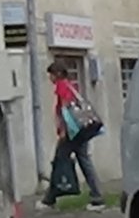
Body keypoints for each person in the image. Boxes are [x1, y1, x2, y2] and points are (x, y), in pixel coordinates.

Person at [43, 61, 104, 209]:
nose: (50, 78)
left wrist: (64, 130)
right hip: (81, 131)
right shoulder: (70, 85)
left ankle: (50, 199)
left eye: (51, 74)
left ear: (57, 74)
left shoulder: (62, 86)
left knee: (59, 160)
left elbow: (65, 109)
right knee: (84, 160)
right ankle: (97, 196)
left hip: (72, 132)